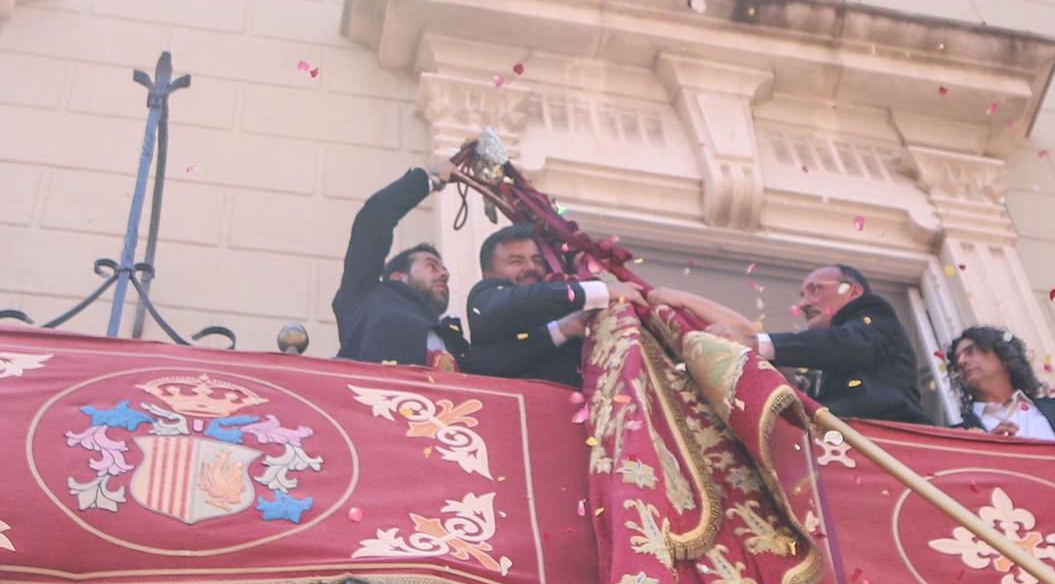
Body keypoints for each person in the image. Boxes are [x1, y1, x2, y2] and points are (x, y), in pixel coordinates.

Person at [654, 264, 927, 423]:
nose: (804, 303)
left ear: (853, 291)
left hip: (892, 437)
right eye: (803, 294)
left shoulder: (873, 314)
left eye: (816, 289)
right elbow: (751, 337)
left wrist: (755, 343)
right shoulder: (829, 359)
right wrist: (687, 303)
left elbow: (841, 345)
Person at [466, 222, 644, 385]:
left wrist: (565, 328)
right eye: (516, 261)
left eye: (537, 260)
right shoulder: (485, 298)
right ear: (488, 275)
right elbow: (519, 303)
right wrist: (599, 290)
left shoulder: (563, 306)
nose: (531, 267)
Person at [333, 167, 466, 368]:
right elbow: (375, 216)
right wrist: (429, 180)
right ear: (397, 278)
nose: (444, 274)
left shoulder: (451, 338)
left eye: (444, 270)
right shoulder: (365, 295)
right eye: (431, 266)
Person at [947, 325, 1055, 461]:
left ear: (1003, 357)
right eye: (957, 359)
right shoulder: (956, 436)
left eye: (970, 351)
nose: (961, 362)